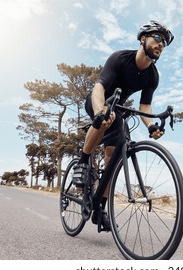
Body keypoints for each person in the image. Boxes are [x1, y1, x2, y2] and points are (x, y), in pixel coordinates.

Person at [72, 20, 174, 231]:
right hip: (98, 100)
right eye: (157, 38)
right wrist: (100, 111)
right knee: (105, 119)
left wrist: (151, 126)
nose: (161, 44)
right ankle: (82, 162)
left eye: (164, 42)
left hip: (117, 110)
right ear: (143, 38)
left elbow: (144, 105)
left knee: (115, 153)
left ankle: (100, 209)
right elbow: (99, 87)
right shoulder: (120, 58)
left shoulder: (152, 76)